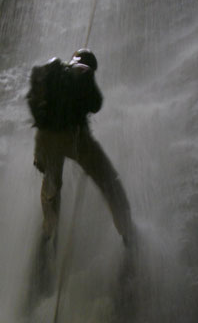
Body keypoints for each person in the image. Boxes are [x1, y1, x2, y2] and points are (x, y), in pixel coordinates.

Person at [27, 49, 135, 250]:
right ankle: (128, 233)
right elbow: (96, 104)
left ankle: (48, 235)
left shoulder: (52, 76)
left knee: (51, 187)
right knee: (108, 181)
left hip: (43, 139)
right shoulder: (85, 72)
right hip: (73, 137)